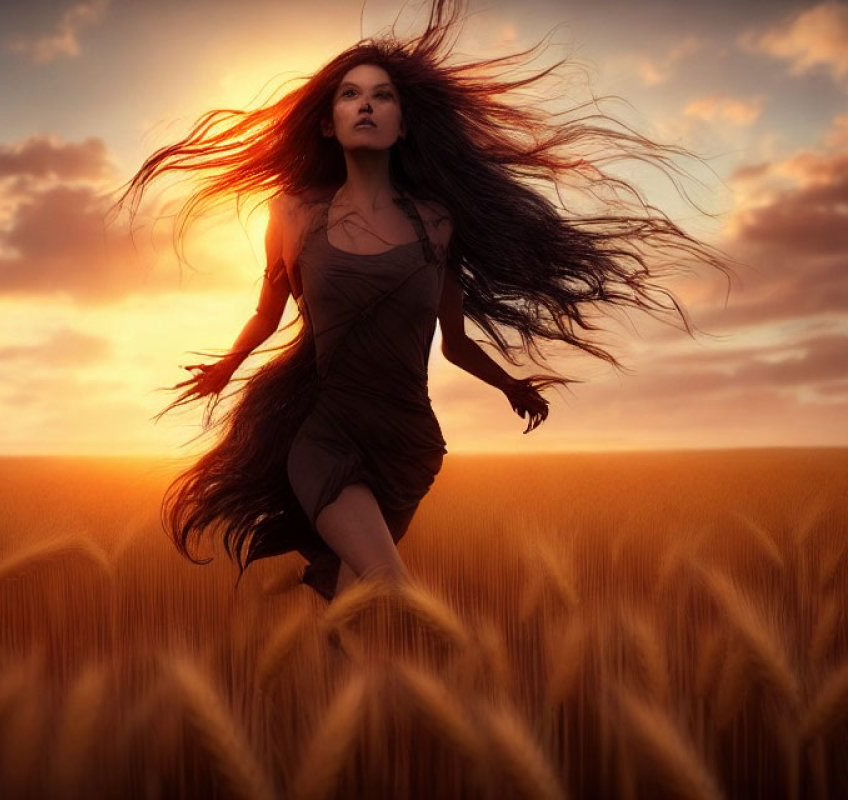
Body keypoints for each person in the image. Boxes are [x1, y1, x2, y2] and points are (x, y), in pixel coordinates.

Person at [116, 0, 733, 603]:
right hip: (325, 432)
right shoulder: (294, 213)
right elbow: (267, 311)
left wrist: (511, 385)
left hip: (409, 444)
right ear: (327, 122)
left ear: (404, 124)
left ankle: (336, 673)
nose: (366, 104)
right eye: (350, 94)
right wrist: (227, 365)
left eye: (383, 96)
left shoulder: (436, 224)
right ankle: (441, 672)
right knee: (390, 587)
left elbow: (455, 340)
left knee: (347, 590)